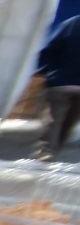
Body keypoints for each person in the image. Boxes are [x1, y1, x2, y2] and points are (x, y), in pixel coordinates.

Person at [38, 16, 80, 159]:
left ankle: (47, 150)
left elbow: (49, 49)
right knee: (70, 120)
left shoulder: (70, 24)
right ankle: (54, 148)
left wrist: (45, 71)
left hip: (61, 82)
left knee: (54, 119)